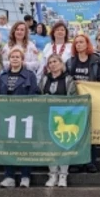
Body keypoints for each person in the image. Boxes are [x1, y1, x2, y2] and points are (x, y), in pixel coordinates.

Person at [0, 47, 40, 188]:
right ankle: (9, 176)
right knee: (8, 146)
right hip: (7, 117)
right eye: (12, 57)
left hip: (24, 117)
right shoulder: (2, 76)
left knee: (24, 146)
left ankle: (25, 176)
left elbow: (35, 94)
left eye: (17, 57)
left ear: (22, 59)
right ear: (9, 60)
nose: (15, 59)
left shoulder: (30, 75)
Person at [66, 34, 100, 173]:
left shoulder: (95, 60)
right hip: (75, 102)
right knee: (75, 132)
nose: (78, 44)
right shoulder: (70, 62)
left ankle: (90, 162)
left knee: (90, 132)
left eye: (81, 42)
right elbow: (66, 79)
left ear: (87, 43)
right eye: (76, 42)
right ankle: (76, 162)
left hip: (91, 100)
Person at [39, 54, 78, 187]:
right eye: (50, 62)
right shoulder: (44, 79)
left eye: (55, 61)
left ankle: (63, 175)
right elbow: (38, 97)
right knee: (50, 147)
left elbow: (73, 98)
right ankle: (52, 174)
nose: (52, 64)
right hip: (48, 118)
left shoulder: (68, 80)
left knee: (63, 146)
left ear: (61, 63)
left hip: (64, 117)